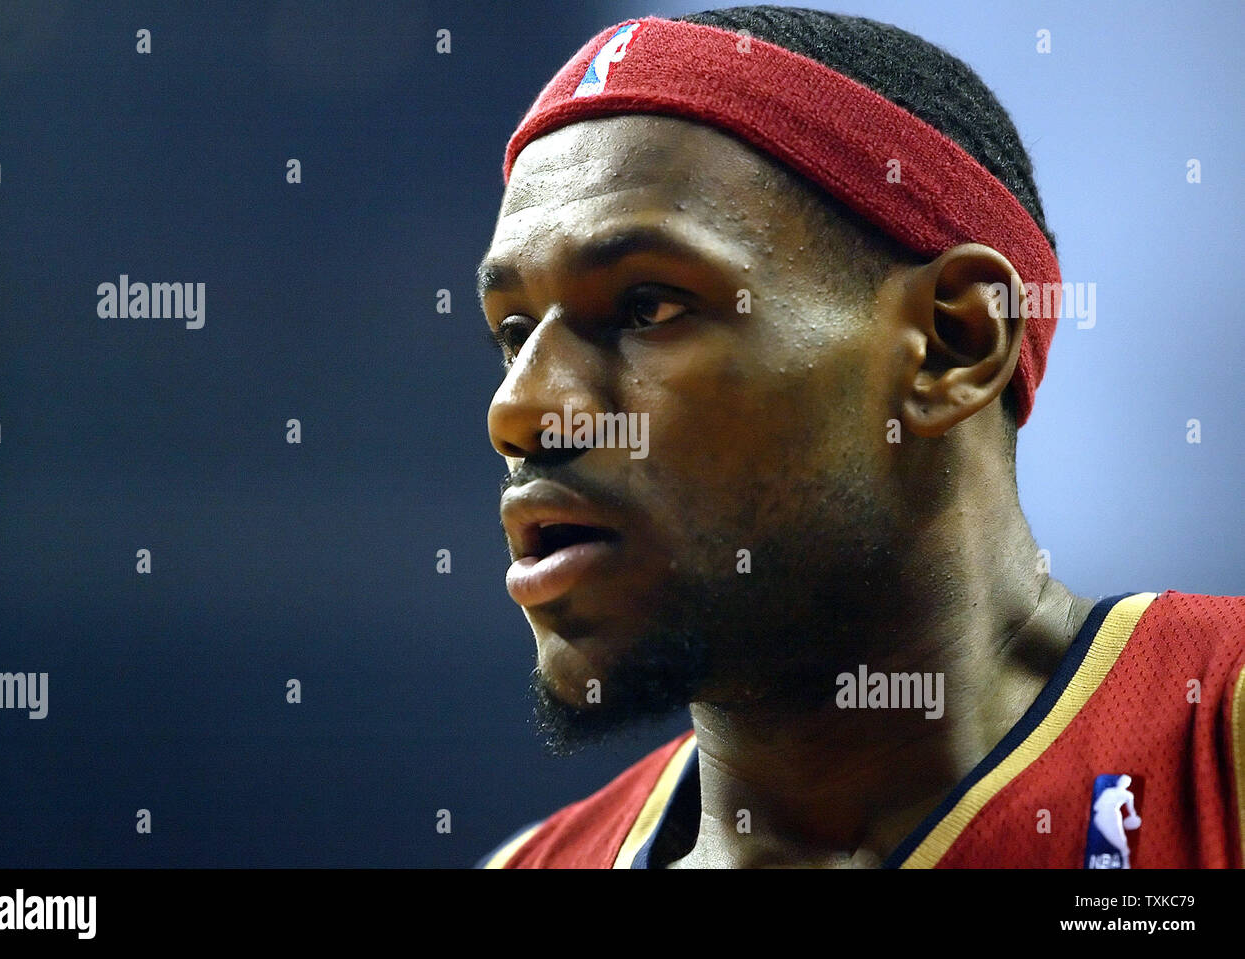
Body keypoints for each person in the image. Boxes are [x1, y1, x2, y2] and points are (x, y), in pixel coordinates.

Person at [474, 5, 1245, 868]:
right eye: (512, 332)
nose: (521, 408)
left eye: (646, 306)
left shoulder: (1218, 730)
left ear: (954, 343)